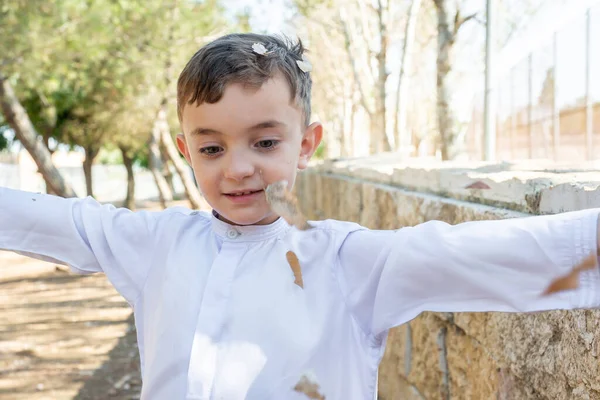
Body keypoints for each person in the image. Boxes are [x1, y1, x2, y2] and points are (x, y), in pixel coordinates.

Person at [1, 33, 599, 400]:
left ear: (306, 144)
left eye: (264, 143)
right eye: (211, 148)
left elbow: (492, 253)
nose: (237, 168)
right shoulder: (155, 242)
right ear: (185, 152)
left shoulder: (348, 261)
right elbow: (53, 220)